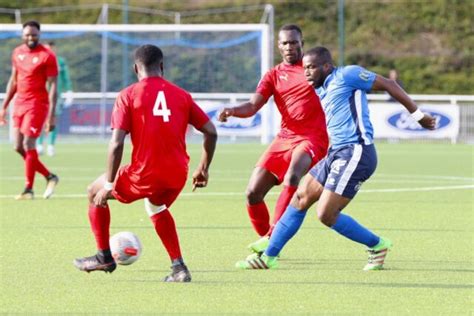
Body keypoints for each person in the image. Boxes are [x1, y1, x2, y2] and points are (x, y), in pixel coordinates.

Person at [237, 46, 436, 270]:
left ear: (327, 66)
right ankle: (267, 257)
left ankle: (378, 245)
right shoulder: (321, 88)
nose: (307, 73)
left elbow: (389, 84)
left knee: (326, 214)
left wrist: (418, 116)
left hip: (356, 152)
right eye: (305, 68)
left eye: (312, 67)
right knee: (301, 197)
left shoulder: (347, 75)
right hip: (337, 152)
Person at [73, 44, 217, 283]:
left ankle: (103, 257)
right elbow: (211, 132)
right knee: (156, 206)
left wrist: (109, 184)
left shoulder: (128, 95)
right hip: (177, 174)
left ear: (135, 69)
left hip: (144, 173)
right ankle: (179, 268)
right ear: (161, 66)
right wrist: (203, 168)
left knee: (93, 191)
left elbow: (116, 143)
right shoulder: (181, 94)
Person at [218, 25, 328, 255]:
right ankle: (265, 237)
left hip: (312, 138)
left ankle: (271, 240)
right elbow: (252, 106)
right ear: (278, 46)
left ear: (302, 43)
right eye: (285, 43)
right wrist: (232, 110)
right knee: (252, 193)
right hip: (285, 138)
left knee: (293, 176)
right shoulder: (273, 75)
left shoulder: (313, 69)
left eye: (294, 42)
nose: (290, 47)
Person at [0, 20, 59, 200]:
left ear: (39, 34)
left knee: (28, 144)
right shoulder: (17, 52)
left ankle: (28, 189)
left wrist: (51, 115)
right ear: (22, 35)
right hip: (20, 103)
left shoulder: (47, 56)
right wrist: (4, 106)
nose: (30, 37)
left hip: (37, 104)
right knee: (18, 146)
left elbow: (54, 87)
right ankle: (50, 176)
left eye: (34, 34)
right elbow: (14, 81)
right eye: (27, 34)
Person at [37, 41, 74, 156]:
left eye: (51, 49)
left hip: (56, 95)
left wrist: (69, 90)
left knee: (53, 119)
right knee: (41, 120)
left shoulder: (60, 62)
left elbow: (65, 77)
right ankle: (39, 144)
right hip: (41, 94)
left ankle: (51, 145)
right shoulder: (39, 60)